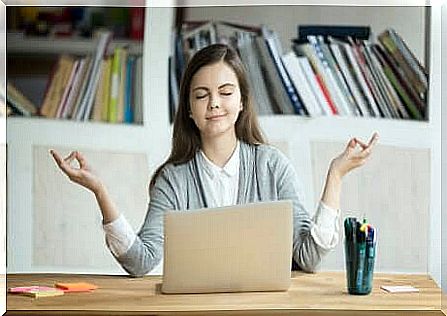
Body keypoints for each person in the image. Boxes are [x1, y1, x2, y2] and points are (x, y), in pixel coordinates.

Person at [50, 43, 378, 277]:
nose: (214, 104)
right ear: (190, 110)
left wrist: (335, 175)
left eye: (225, 92)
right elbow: (141, 262)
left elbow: (308, 258)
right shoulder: (173, 179)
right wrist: (100, 192)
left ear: (242, 102)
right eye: (201, 95)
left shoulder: (272, 166)